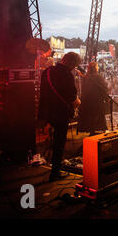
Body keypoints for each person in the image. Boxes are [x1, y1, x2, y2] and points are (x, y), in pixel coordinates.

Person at [39, 52, 81, 181]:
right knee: (59, 142)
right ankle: (55, 172)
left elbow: (43, 93)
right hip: (61, 113)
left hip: (47, 111)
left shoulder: (47, 71)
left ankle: (49, 164)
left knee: (52, 139)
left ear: (63, 59)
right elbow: (71, 96)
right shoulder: (67, 75)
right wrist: (78, 102)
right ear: (73, 64)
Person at [78, 61, 109, 136]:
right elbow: (104, 88)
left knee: (91, 119)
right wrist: (106, 98)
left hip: (87, 102)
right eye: (97, 66)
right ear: (95, 68)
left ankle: (92, 132)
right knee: (97, 118)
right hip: (97, 102)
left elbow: (83, 90)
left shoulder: (86, 77)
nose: (98, 68)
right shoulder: (98, 77)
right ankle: (94, 134)